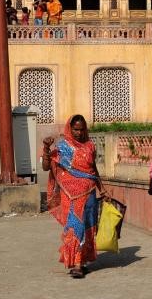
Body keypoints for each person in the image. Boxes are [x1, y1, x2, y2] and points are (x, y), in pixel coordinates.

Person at [42, 115, 105, 279]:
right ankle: (75, 264)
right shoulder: (63, 147)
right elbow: (46, 167)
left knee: (89, 227)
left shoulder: (90, 146)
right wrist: (45, 149)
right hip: (70, 195)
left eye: (81, 129)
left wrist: (102, 188)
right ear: (70, 129)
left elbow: (93, 169)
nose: (78, 132)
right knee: (75, 227)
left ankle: (82, 261)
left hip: (89, 192)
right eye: (75, 129)